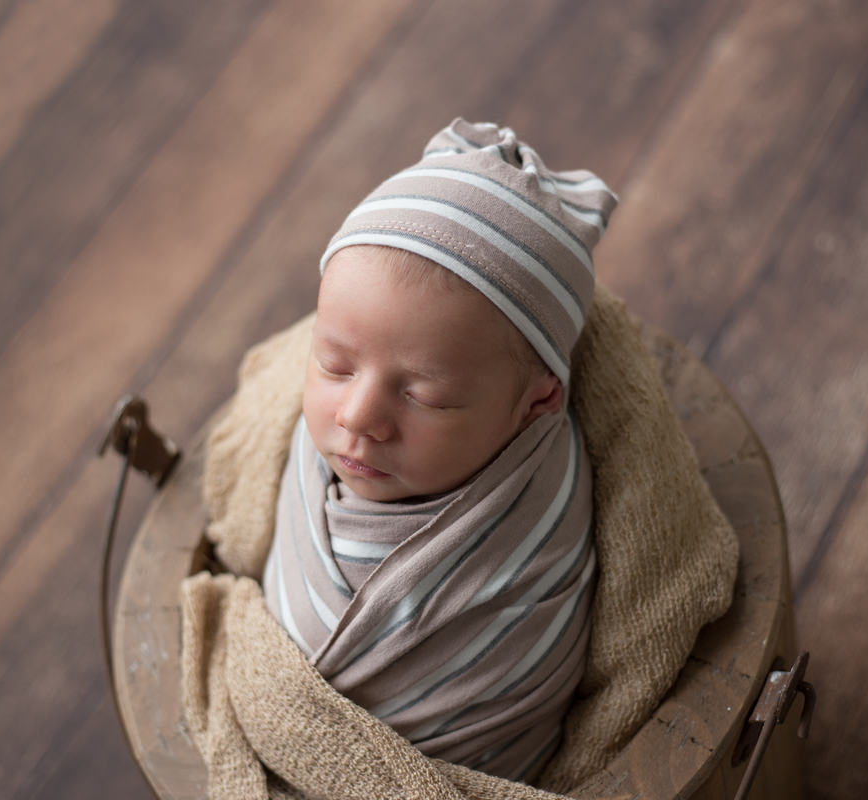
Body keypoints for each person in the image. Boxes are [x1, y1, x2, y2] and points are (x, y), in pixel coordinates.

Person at [260, 119, 617, 783]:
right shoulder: (329, 428)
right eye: (334, 364)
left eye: (425, 397)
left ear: (537, 404)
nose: (357, 417)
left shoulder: (532, 524)